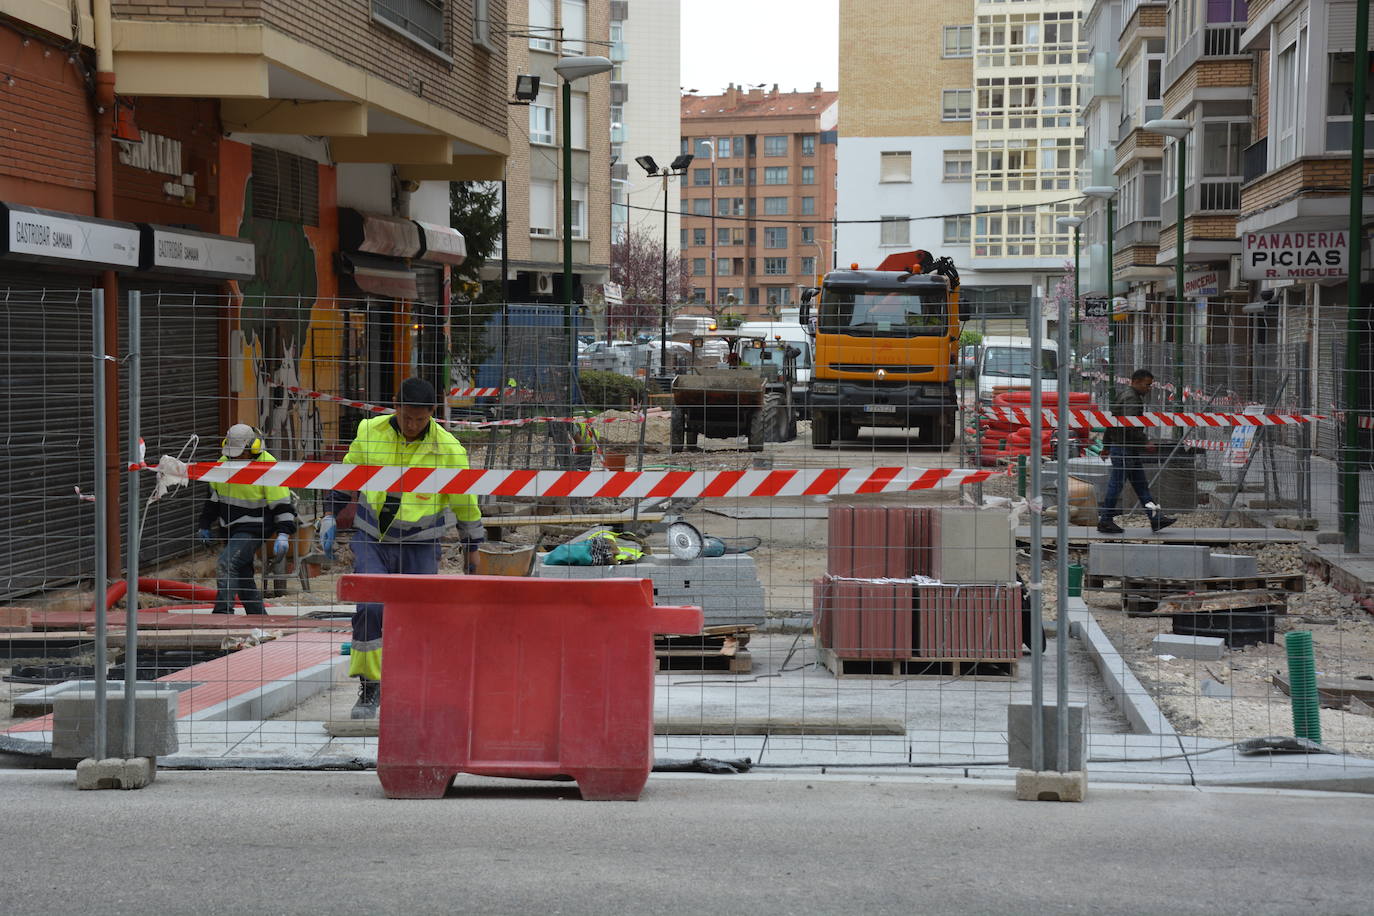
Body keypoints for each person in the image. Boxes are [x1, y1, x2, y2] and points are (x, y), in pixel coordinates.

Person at [318, 377, 484, 719]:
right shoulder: (370, 432)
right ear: (396, 406)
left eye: (420, 420)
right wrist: (328, 515)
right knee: (370, 606)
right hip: (372, 539)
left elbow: (466, 503)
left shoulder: (448, 450)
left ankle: (414, 688)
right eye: (407, 417)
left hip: (420, 544)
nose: (412, 425)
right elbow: (346, 475)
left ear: (432, 414)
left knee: (420, 616)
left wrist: (473, 546)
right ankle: (369, 688)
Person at [197, 424, 296, 615]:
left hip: (255, 528)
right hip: (230, 529)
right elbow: (212, 500)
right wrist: (204, 524)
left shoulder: (269, 466)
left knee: (227, 563)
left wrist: (284, 533)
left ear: (254, 447)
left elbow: (283, 504)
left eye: (241, 454)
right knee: (243, 579)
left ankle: (222, 614)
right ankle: (259, 618)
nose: (236, 458)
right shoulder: (223, 463)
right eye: (232, 454)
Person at [1097, 369, 1177, 534]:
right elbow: (1129, 424)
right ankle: (1105, 520)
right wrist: (1144, 441)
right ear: (1137, 381)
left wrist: (1106, 446)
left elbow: (1112, 423)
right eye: (1147, 385)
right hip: (1125, 449)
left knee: (1141, 486)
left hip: (1126, 448)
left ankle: (1155, 518)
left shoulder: (1123, 396)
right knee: (1116, 485)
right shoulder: (1132, 399)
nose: (1149, 389)